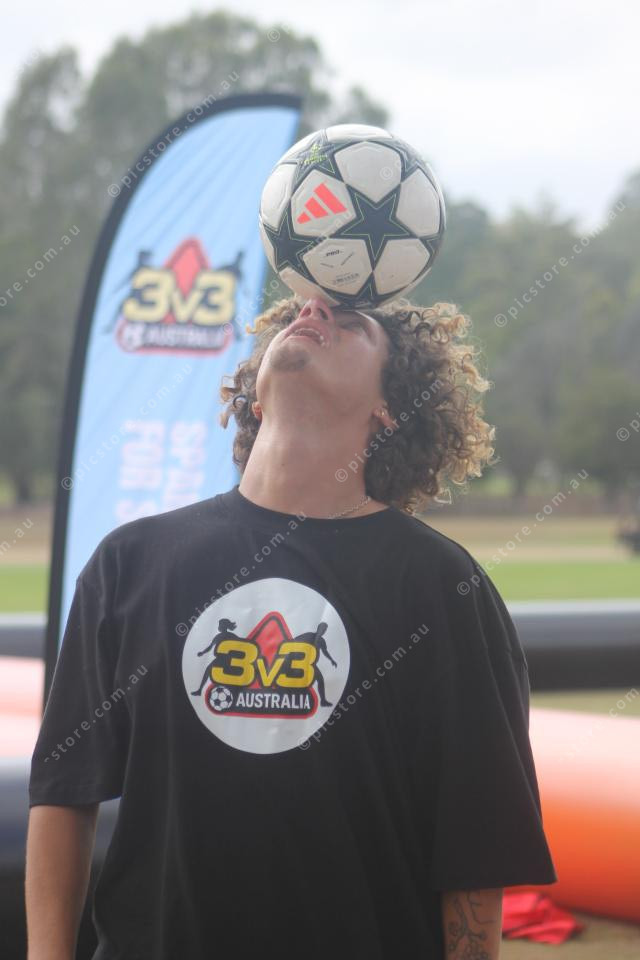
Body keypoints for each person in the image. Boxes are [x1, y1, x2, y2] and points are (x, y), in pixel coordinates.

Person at [25, 294, 557, 960]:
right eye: (299, 312)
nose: (312, 310)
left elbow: (473, 846)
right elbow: (63, 793)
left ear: (390, 408)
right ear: (254, 397)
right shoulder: (128, 562)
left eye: (351, 322)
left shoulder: (442, 586)